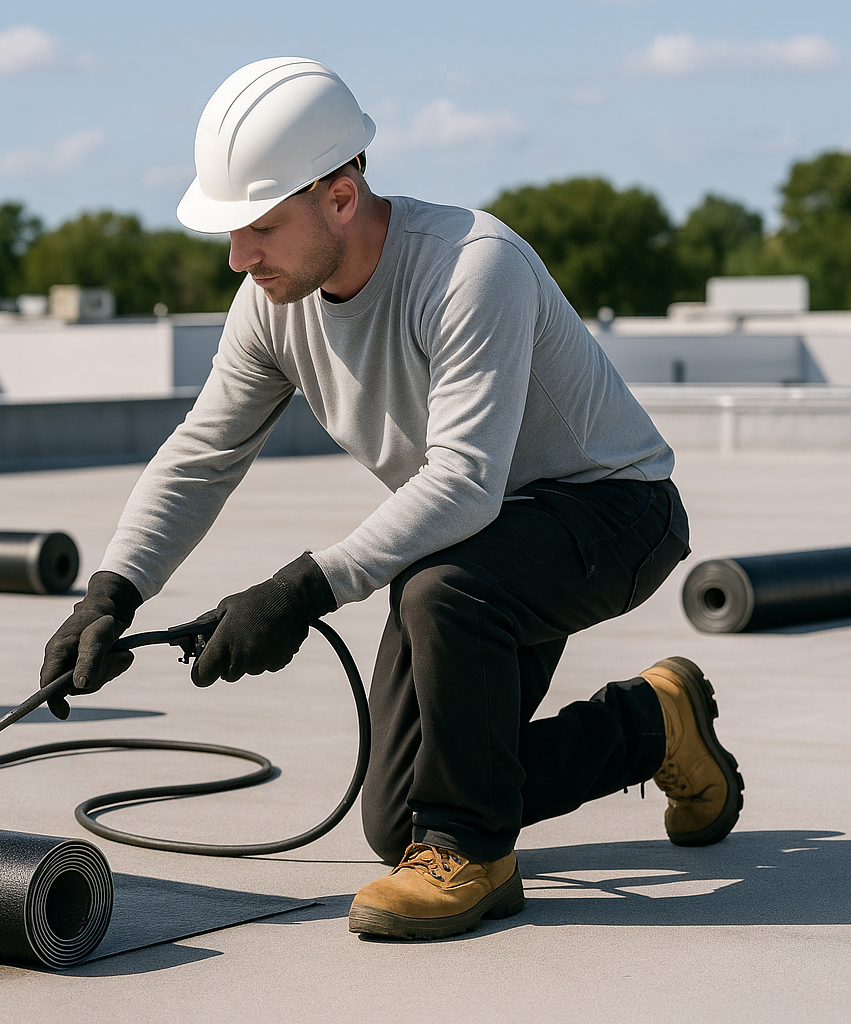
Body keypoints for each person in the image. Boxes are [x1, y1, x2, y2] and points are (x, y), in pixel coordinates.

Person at [39, 57, 744, 941]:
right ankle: (654, 724)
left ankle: (477, 858)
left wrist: (302, 589)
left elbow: (462, 480)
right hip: (486, 543)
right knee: (401, 820)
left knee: (441, 594)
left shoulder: (468, 266)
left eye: (257, 226)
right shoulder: (270, 304)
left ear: (340, 195)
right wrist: (111, 592)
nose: (237, 256)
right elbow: (201, 453)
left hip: (613, 509)